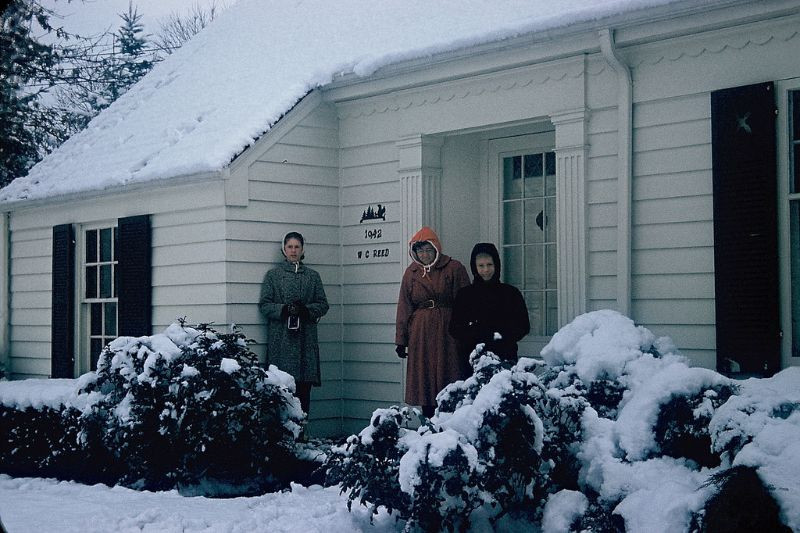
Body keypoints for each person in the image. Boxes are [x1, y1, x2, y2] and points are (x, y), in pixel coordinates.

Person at [395, 226, 470, 418]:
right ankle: (428, 419)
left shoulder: (454, 268)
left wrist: (466, 333)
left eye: (428, 250)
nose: (425, 255)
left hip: (448, 330)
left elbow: (466, 302)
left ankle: (451, 419)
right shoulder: (411, 273)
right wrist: (401, 340)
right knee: (425, 376)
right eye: (420, 250)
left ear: (436, 249)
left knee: (449, 372)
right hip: (421, 332)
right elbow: (404, 306)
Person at [259, 232, 329, 418]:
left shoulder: (313, 276)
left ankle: (302, 428)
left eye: (297, 247)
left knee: (304, 393)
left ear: (303, 249)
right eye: (289, 247)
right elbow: (265, 305)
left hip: (306, 341)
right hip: (281, 341)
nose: (293, 250)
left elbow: (323, 305)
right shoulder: (273, 276)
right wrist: (284, 309)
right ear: (284, 249)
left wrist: (306, 310)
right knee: (281, 391)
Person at [450, 242, 530, 363]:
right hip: (472, 359)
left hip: (505, 356)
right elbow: (455, 328)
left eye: (489, 264)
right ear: (474, 267)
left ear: (496, 264)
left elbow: (523, 326)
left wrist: (501, 336)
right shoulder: (465, 295)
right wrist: (476, 334)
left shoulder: (510, 293)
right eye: (481, 266)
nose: (486, 270)